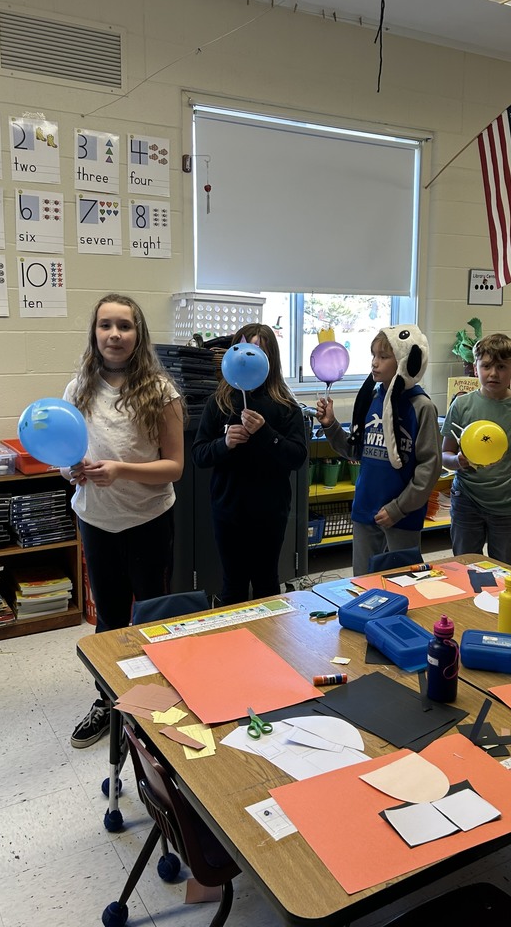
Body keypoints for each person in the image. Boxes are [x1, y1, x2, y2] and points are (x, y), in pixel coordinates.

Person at [64, 293, 186, 748]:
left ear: (139, 335)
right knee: (110, 617)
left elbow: (174, 467)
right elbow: (64, 453)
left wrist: (121, 470)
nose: (114, 335)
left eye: (124, 326)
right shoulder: (77, 389)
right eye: (105, 326)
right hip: (97, 520)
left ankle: (155, 699)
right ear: (94, 334)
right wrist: (69, 469)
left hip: (148, 520)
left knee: (152, 612)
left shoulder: (160, 392)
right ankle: (108, 699)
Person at [192, 324, 307, 606]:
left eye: (261, 353)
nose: (250, 362)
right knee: (233, 585)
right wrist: (225, 443)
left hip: (270, 511)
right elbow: (199, 454)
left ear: (271, 360)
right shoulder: (218, 403)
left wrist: (266, 433)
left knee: (267, 582)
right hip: (229, 510)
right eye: (246, 352)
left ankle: (270, 646)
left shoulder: (286, 406)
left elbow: (297, 457)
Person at [315, 324, 442, 575]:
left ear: (405, 361)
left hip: (402, 515)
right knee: (363, 581)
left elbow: (429, 468)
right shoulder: (371, 399)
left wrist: (398, 509)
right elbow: (354, 451)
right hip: (366, 509)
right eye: (373, 356)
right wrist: (330, 425)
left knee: (402, 581)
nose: (375, 363)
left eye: (383, 357)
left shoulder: (422, 407)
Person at [441, 333, 511, 567]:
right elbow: (445, 456)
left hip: (508, 504)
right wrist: (458, 460)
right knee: (464, 567)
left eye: (501, 366)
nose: (494, 373)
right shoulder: (461, 405)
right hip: (467, 499)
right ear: (476, 369)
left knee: (506, 570)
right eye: (486, 366)